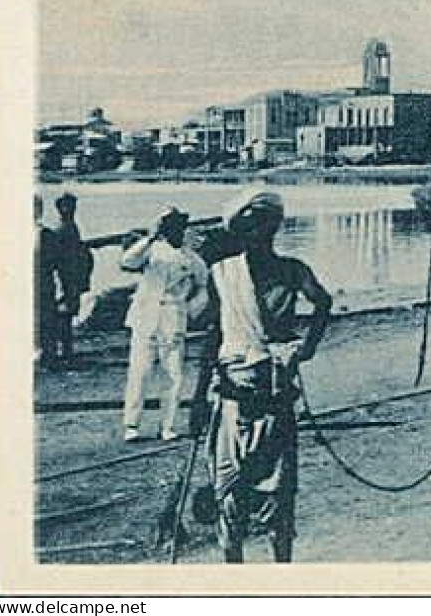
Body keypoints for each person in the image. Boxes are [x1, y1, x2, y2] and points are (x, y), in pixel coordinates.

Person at [199, 191, 331, 563]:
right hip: (230, 401)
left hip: (274, 403)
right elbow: (213, 335)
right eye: (252, 228)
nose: (260, 235)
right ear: (242, 232)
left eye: (266, 227)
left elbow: (323, 302)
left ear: (274, 229)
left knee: (279, 499)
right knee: (228, 498)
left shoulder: (292, 270)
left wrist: (306, 347)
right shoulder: (223, 273)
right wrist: (197, 402)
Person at [119, 208, 209, 443]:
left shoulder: (190, 258)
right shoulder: (153, 250)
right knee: (140, 371)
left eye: (179, 227)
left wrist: (191, 310)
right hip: (145, 316)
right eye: (170, 228)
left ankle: (167, 426)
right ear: (164, 230)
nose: (176, 233)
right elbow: (127, 260)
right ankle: (131, 424)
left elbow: (203, 284)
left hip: (174, 316)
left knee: (174, 375)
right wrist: (149, 236)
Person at [43, 193, 93, 366]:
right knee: (63, 315)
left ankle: (66, 351)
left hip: (73, 278)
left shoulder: (70, 227)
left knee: (68, 314)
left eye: (72, 206)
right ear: (60, 209)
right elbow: (57, 258)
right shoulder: (62, 229)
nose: (70, 210)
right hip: (66, 278)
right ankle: (63, 352)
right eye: (66, 207)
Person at [33, 195, 57, 364]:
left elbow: (57, 263)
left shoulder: (46, 234)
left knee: (45, 318)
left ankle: (46, 353)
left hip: (43, 283)